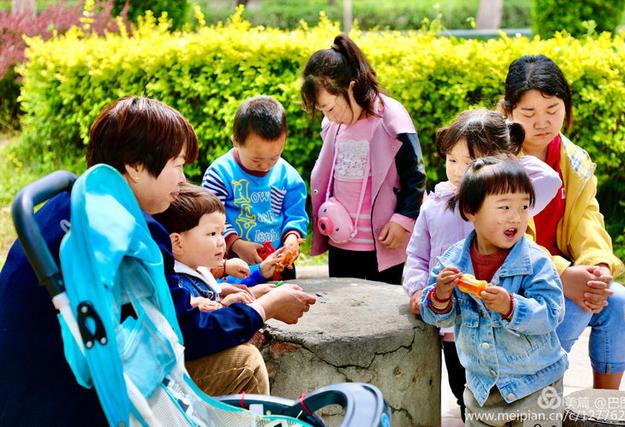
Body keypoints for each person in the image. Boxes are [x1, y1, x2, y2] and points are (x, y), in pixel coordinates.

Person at [0, 96, 316, 425]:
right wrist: (266, 307)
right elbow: (186, 335)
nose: (182, 179)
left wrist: (210, 297)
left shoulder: (67, 205)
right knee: (244, 363)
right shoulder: (134, 233)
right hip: (79, 401)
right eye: (177, 165)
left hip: (21, 392)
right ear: (136, 167)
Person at [402, 108, 562, 420]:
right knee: (466, 395)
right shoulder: (435, 208)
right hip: (463, 341)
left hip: (529, 377)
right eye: (452, 160)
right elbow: (418, 258)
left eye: (471, 162)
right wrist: (430, 295)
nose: (460, 171)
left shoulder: (516, 220)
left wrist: (501, 169)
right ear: (470, 214)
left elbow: (549, 180)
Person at [501, 54, 625, 389]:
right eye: (528, 113)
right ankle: (537, 401)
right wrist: (561, 273)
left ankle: (603, 409)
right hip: (514, 278)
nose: (542, 123)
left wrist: (598, 266)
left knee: (620, 304)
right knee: (573, 308)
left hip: (563, 271)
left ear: (567, 106)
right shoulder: (497, 163)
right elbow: (505, 238)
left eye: (553, 110)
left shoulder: (572, 159)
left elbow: (587, 218)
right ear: (508, 112)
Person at [303, 34, 426, 284]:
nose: (329, 116)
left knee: (380, 312)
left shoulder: (390, 118)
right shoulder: (334, 126)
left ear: (350, 86)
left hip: (382, 243)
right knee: (343, 311)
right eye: (323, 110)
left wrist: (403, 220)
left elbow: (415, 175)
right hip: (340, 241)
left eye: (330, 107)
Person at [202, 96, 308, 280]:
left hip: (278, 263)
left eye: (274, 157)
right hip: (236, 267)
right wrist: (235, 244)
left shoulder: (287, 176)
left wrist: (292, 238)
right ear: (236, 141)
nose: (266, 166)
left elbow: (295, 214)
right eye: (257, 159)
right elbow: (210, 219)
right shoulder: (220, 174)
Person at [154, 182, 280, 313]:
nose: (221, 241)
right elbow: (204, 326)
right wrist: (225, 306)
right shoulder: (180, 285)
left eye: (222, 233)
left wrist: (221, 291)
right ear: (177, 243)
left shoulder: (196, 268)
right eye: (212, 233)